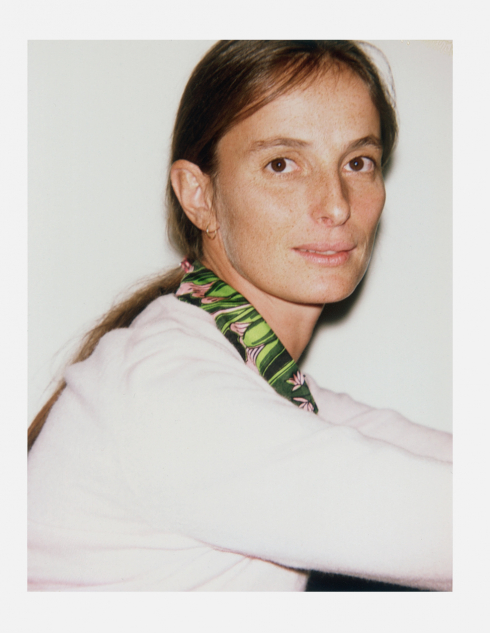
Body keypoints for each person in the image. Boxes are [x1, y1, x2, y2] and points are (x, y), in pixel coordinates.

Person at [27, 40, 452, 592]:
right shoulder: (171, 395)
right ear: (199, 195)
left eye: (358, 162)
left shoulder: (260, 385)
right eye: (282, 164)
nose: (337, 204)